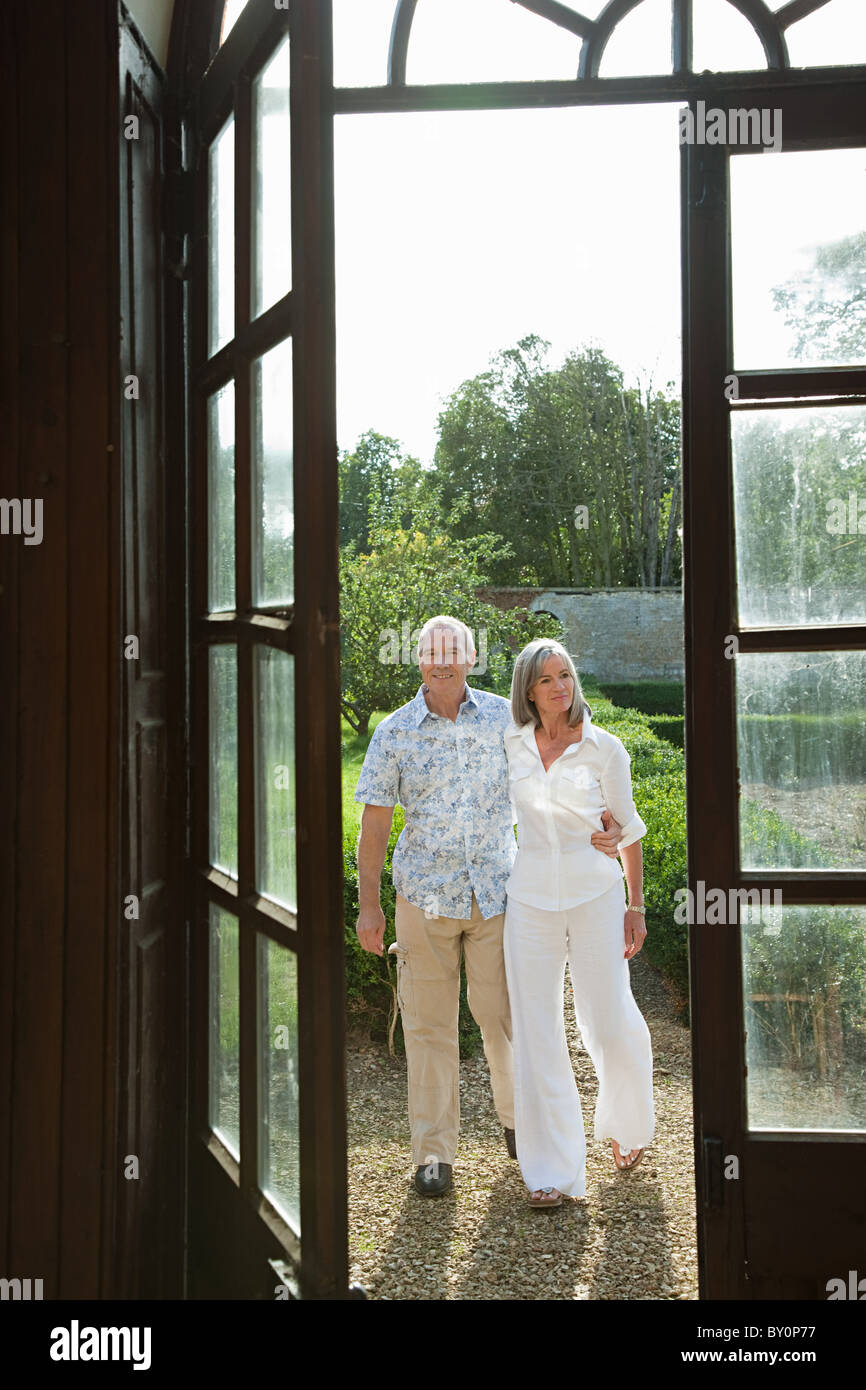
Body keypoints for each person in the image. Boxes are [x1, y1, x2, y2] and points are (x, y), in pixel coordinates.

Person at [353, 615, 621, 1196]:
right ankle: (433, 1155)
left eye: (454, 651)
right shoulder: (393, 733)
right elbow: (374, 824)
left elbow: (565, 760)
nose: (442, 661)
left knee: (504, 1021)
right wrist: (368, 905)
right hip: (423, 897)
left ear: (472, 657)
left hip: (500, 896)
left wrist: (603, 822)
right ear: (418, 660)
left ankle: (520, 1130)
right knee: (429, 1029)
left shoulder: (508, 719)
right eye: (431, 652)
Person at [503, 638, 655, 1209]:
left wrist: (634, 905)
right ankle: (552, 1171)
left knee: (609, 1019)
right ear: (528, 690)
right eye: (546, 679)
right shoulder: (511, 743)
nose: (560, 687)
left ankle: (628, 1122)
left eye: (565, 675)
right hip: (530, 900)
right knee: (538, 1033)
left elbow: (630, 830)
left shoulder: (604, 749)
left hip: (596, 895)